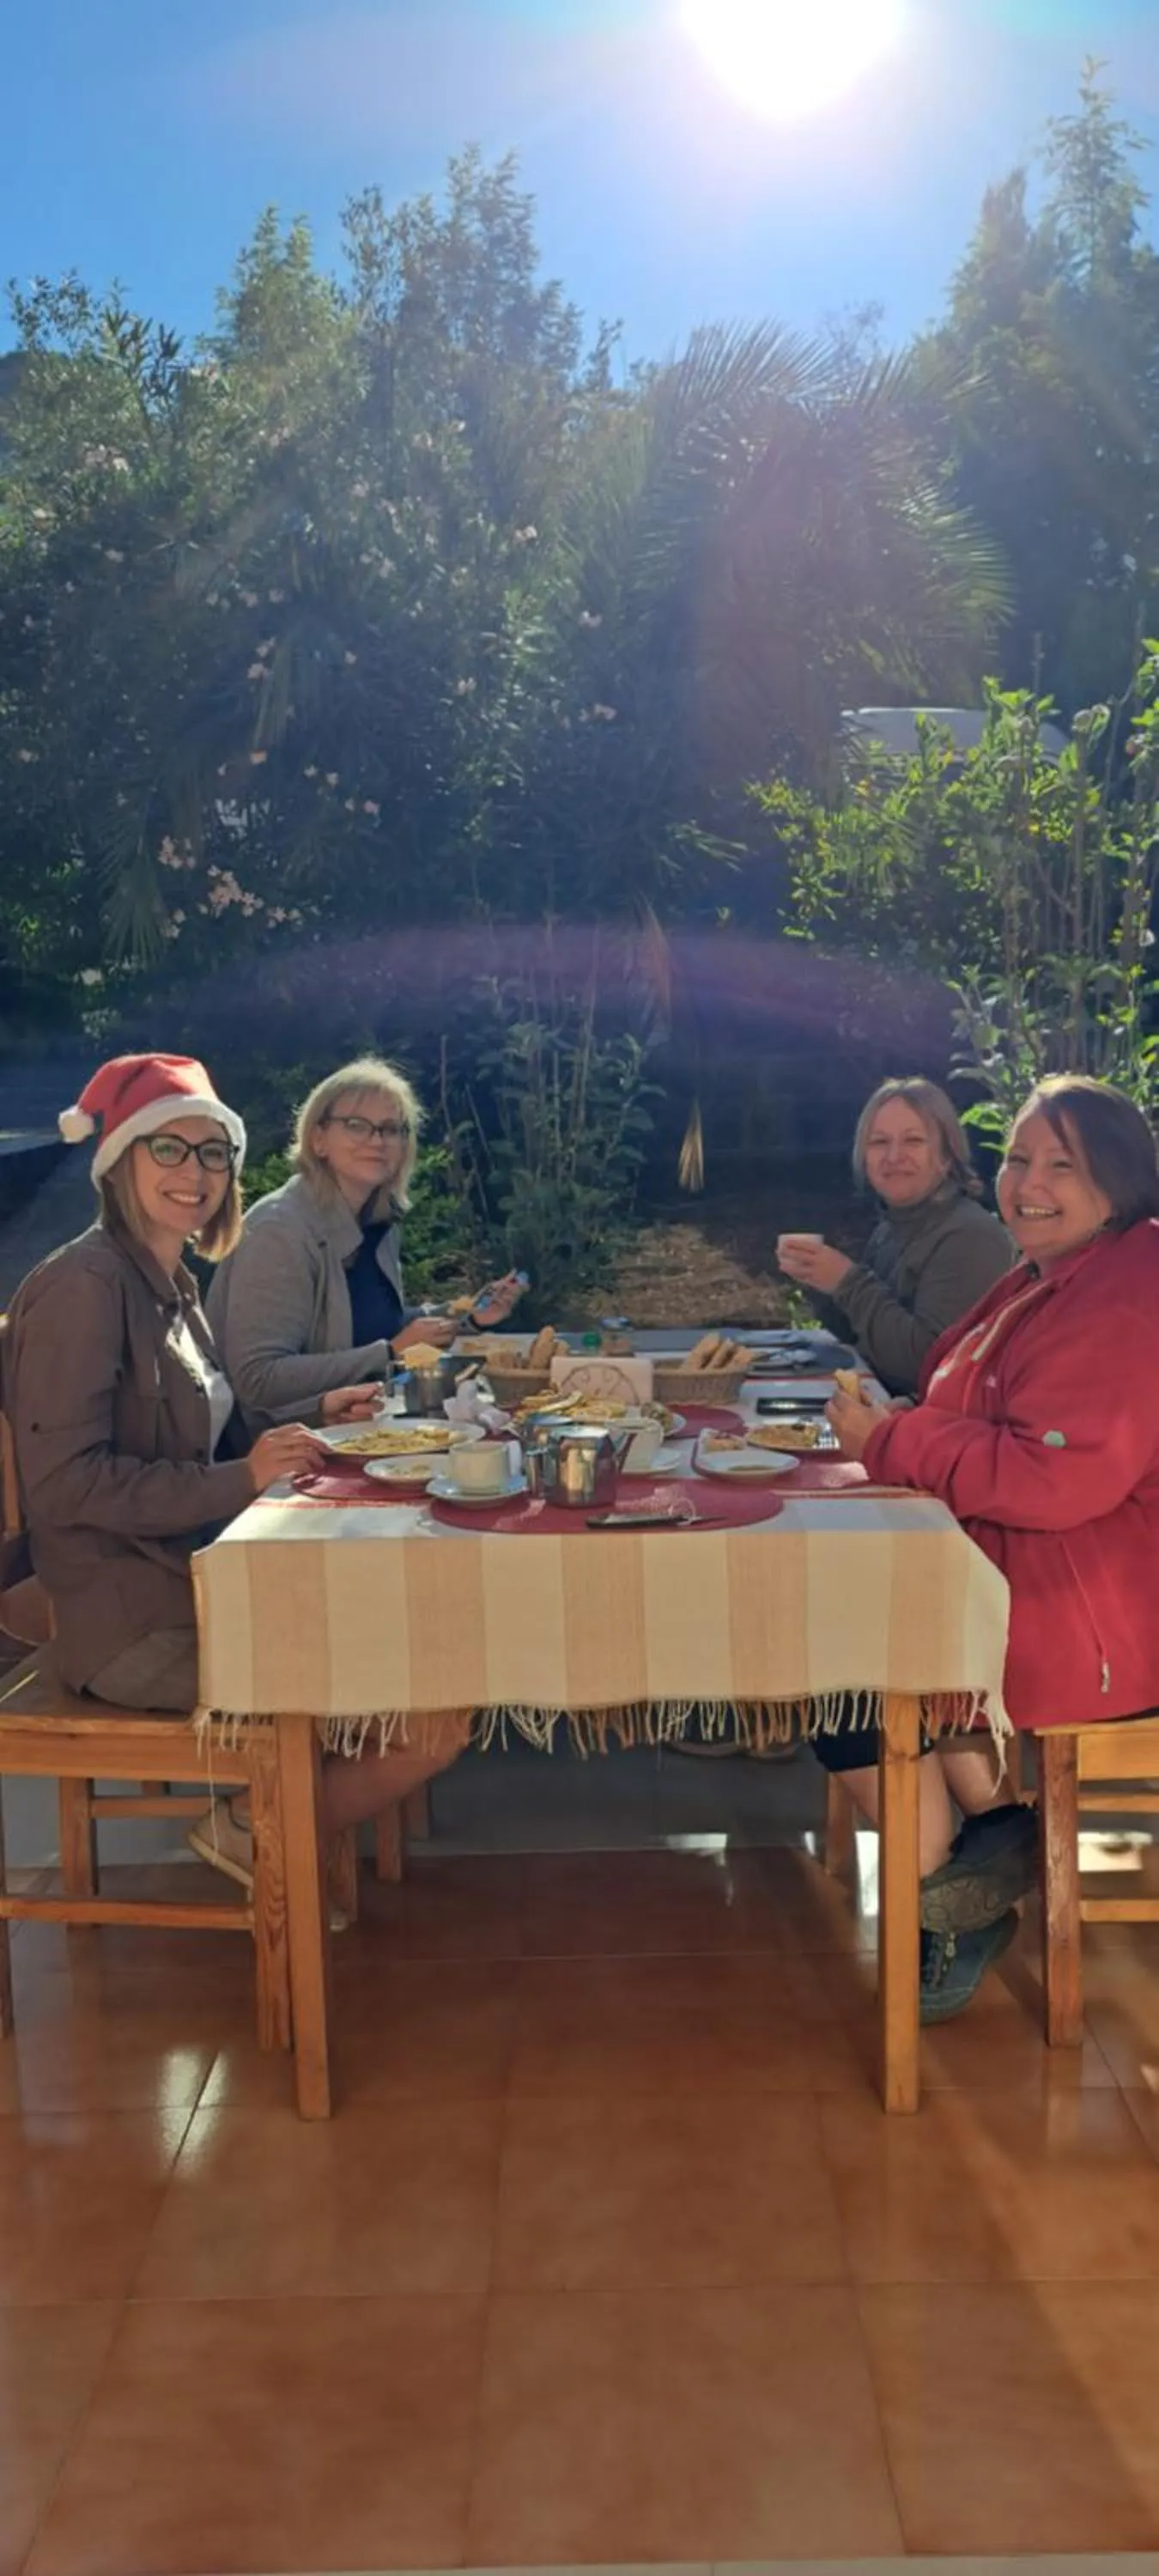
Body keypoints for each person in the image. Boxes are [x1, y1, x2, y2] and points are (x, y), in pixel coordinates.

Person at [3, 1051, 470, 1890]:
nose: (196, 1173)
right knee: (426, 1700)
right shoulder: (83, 1287)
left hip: (201, 1582)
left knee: (423, 1652)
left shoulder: (170, 1280)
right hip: (132, 1623)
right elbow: (67, 1487)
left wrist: (318, 1414)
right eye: (169, 1149)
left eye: (213, 1153)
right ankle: (259, 1829)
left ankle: (275, 1826)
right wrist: (241, 1479)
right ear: (119, 1160)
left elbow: (207, 1440)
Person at [823, 1073, 1159, 2020]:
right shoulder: (1055, 1272)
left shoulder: (1125, 1299)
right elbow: (967, 1407)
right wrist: (903, 1426)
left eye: (1063, 1165)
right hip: (1030, 1573)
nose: (1029, 1182)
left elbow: (1051, 1478)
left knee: (835, 1664)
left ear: (1120, 1182)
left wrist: (892, 1440)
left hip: (1088, 1616)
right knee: (838, 1629)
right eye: (1018, 1158)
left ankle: (949, 1905)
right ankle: (995, 1832)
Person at [208, 1054, 525, 1433]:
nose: (377, 1141)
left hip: (355, 1432)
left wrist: (468, 1316)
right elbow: (258, 1378)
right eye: (356, 1125)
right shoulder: (278, 1230)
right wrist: (390, 1353)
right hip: (276, 1451)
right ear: (318, 1139)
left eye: (391, 1129)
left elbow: (372, 1325)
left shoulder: (377, 1220)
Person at [778, 1077, 1014, 1397]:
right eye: (879, 1142)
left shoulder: (971, 1237)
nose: (893, 1156)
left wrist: (847, 1282)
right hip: (872, 1412)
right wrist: (820, 1281)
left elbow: (926, 1365)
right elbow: (866, 1343)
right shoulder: (892, 1227)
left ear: (946, 1155)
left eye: (913, 1140)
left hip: (925, 1425)